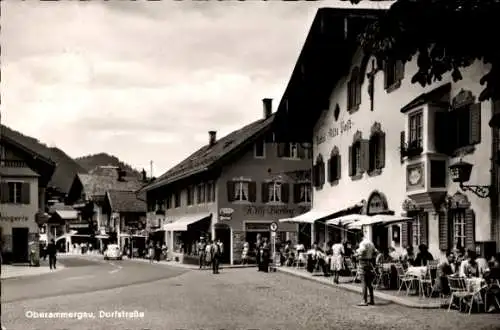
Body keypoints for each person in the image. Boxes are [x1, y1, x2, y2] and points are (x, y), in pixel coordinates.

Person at [355, 236, 378, 306]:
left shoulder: (362, 243)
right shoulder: (371, 243)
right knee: (369, 282)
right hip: (369, 263)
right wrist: (371, 257)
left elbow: (362, 250)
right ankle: (372, 300)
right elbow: (376, 252)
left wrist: (357, 255)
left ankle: (364, 300)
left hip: (363, 262)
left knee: (364, 282)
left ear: (360, 238)